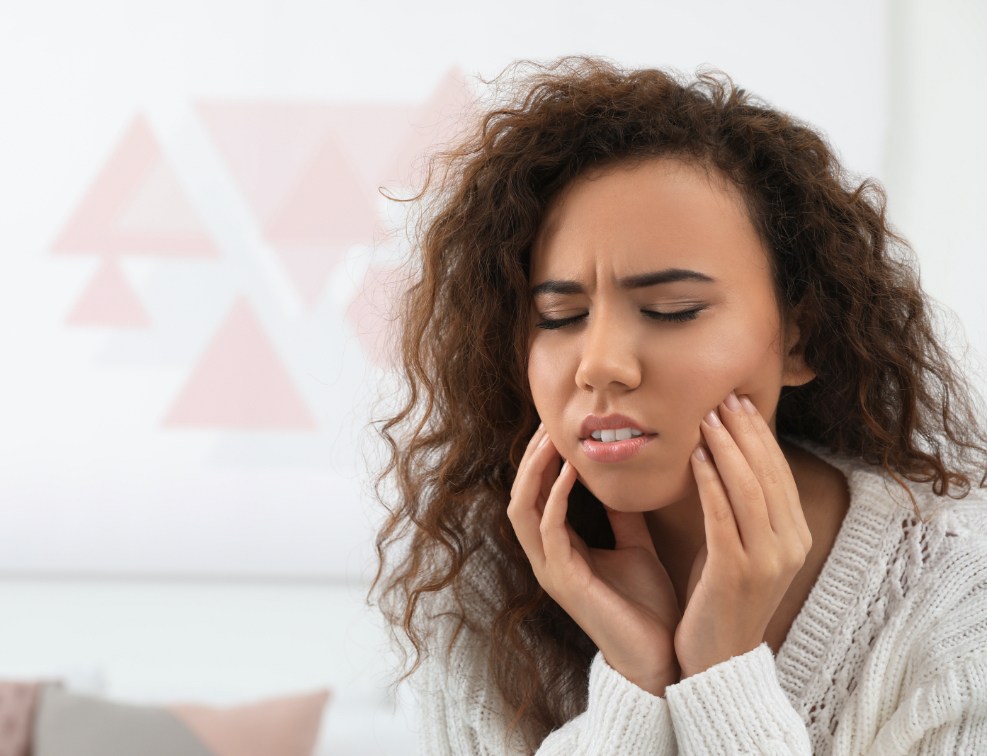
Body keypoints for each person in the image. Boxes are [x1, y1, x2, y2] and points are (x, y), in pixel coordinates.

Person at [372, 57, 987, 754]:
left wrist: (723, 676)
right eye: (557, 316)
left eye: (672, 310)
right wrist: (635, 680)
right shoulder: (480, 586)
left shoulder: (963, 596)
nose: (599, 363)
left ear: (800, 336)